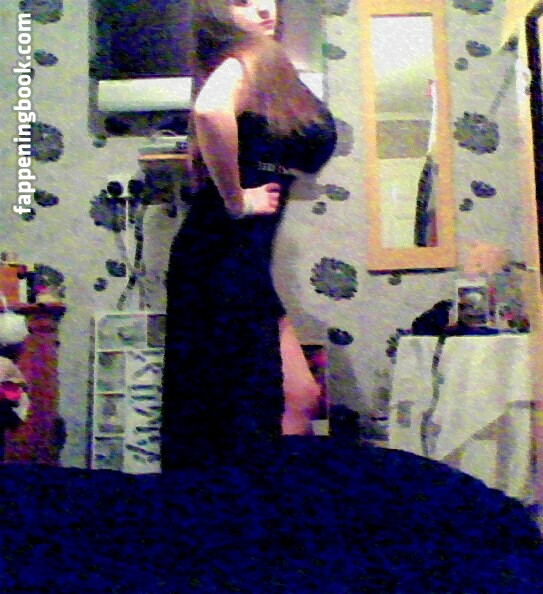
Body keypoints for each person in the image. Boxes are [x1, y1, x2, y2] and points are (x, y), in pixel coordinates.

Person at [161, 0, 337, 469]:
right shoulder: (246, 58)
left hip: (237, 262)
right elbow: (210, 112)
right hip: (218, 261)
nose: (262, 8)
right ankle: (251, 503)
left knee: (296, 398)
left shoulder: (271, 70)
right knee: (251, 408)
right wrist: (238, 199)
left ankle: (261, 499)